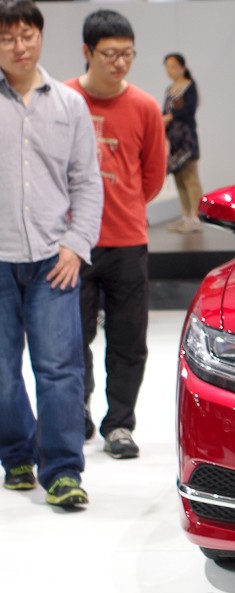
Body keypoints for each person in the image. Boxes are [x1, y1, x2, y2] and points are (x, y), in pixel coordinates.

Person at [0, 0, 102, 507]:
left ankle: (62, 471)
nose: (19, 47)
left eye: (27, 35)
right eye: (6, 38)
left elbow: (87, 181)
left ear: (40, 36)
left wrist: (76, 246)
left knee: (60, 369)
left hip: (52, 261)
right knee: (1, 373)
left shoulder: (69, 104)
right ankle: (17, 455)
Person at [67, 9, 166, 460]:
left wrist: (124, 205)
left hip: (127, 239)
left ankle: (120, 424)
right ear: (87, 51)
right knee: (72, 338)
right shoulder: (64, 100)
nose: (120, 62)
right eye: (110, 54)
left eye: (127, 54)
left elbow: (153, 175)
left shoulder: (144, 106)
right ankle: (77, 412)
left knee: (128, 339)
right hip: (71, 242)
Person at [162, 52, 202, 234]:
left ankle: (197, 216)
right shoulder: (169, 89)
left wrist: (170, 117)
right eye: (167, 67)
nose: (169, 70)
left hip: (186, 138)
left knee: (190, 176)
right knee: (178, 177)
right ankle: (186, 214)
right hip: (173, 138)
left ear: (182, 68)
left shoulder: (189, 86)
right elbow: (164, 110)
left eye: (173, 66)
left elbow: (189, 110)